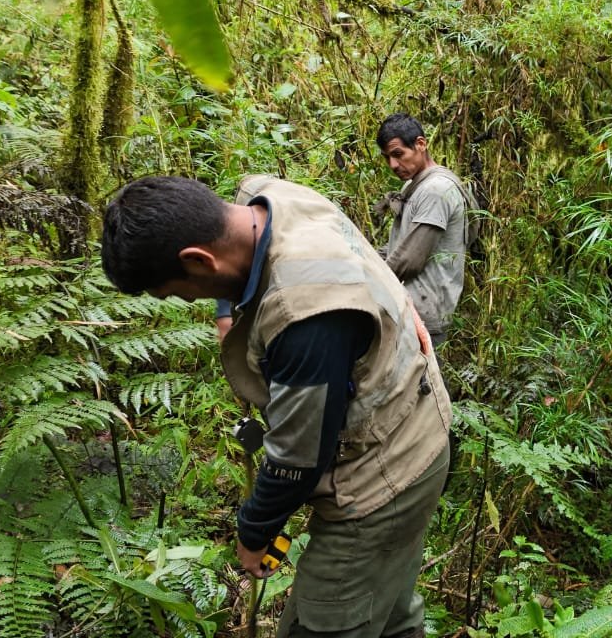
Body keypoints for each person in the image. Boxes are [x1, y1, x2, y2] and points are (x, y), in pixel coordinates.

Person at [101, 175, 451, 638]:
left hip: (383, 475)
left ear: (197, 260)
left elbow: (298, 455)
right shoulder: (265, 198)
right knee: (387, 609)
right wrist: (228, 312)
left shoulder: (307, 316)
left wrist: (253, 532)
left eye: (175, 291)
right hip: (420, 424)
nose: (186, 300)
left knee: (329, 620)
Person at [373, 113, 472, 348]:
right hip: (410, 310)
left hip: (422, 316)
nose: (393, 165)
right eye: (387, 158)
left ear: (420, 144)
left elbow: (408, 260)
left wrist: (366, 282)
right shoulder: (415, 185)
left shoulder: (435, 190)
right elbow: (399, 246)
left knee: (422, 382)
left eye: (398, 154)